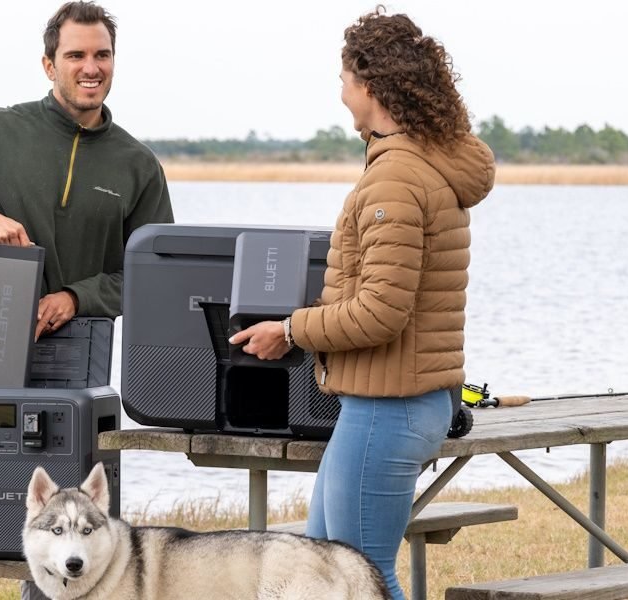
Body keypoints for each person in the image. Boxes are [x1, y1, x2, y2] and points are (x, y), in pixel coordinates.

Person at [0, 2, 173, 599]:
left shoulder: (137, 164)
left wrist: (78, 295)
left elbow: (149, 275)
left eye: (101, 55)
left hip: (76, 351)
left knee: (68, 516)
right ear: (49, 64)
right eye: (76, 55)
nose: (90, 67)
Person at [228, 7, 495, 599]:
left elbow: (381, 310)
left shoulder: (396, 179)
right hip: (393, 406)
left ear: (370, 86)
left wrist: (291, 330)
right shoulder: (420, 166)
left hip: (388, 410)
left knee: (362, 578)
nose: (341, 91)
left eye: (344, 78)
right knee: (322, 573)